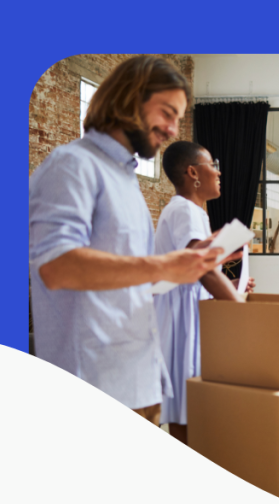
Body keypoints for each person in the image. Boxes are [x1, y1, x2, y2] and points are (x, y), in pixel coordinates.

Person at [29, 56, 241, 426]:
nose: (174, 130)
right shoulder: (73, 165)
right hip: (94, 384)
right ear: (129, 99)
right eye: (167, 113)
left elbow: (136, 283)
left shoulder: (125, 181)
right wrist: (168, 265)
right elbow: (56, 267)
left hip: (139, 378)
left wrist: (193, 267)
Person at [154, 141, 256, 444]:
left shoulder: (191, 211)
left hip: (184, 314)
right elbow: (202, 267)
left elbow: (197, 269)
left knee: (188, 405)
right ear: (193, 172)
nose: (219, 172)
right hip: (179, 320)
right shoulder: (185, 210)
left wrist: (235, 287)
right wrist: (237, 304)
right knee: (185, 406)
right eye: (213, 164)